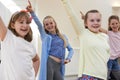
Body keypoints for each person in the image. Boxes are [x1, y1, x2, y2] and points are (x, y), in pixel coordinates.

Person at [61, 0, 110, 80]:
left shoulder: (105, 36)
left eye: (98, 20)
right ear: (86, 23)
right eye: (92, 20)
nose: (95, 23)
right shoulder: (83, 33)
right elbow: (71, 15)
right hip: (89, 75)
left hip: (103, 76)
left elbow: (106, 55)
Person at [26, 4, 74, 80]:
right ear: (44, 27)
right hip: (49, 63)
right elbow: (38, 24)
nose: (49, 25)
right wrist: (32, 12)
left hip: (59, 65)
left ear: (55, 23)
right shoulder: (45, 36)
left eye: (51, 23)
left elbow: (71, 49)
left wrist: (68, 58)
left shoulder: (63, 37)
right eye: (46, 24)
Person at [0, 10, 40, 80]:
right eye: (21, 22)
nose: (25, 25)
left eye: (27, 23)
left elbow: (36, 60)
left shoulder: (30, 46)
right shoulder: (8, 37)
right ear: (13, 25)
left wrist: (33, 76)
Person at [99, 15, 120, 80]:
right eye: (112, 24)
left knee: (118, 76)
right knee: (106, 76)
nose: (115, 25)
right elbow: (99, 28)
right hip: (109, 59)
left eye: (116, 23)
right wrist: (85, 19)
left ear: (119, 23)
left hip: (116, 59)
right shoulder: (109, 33)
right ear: (109, 25)